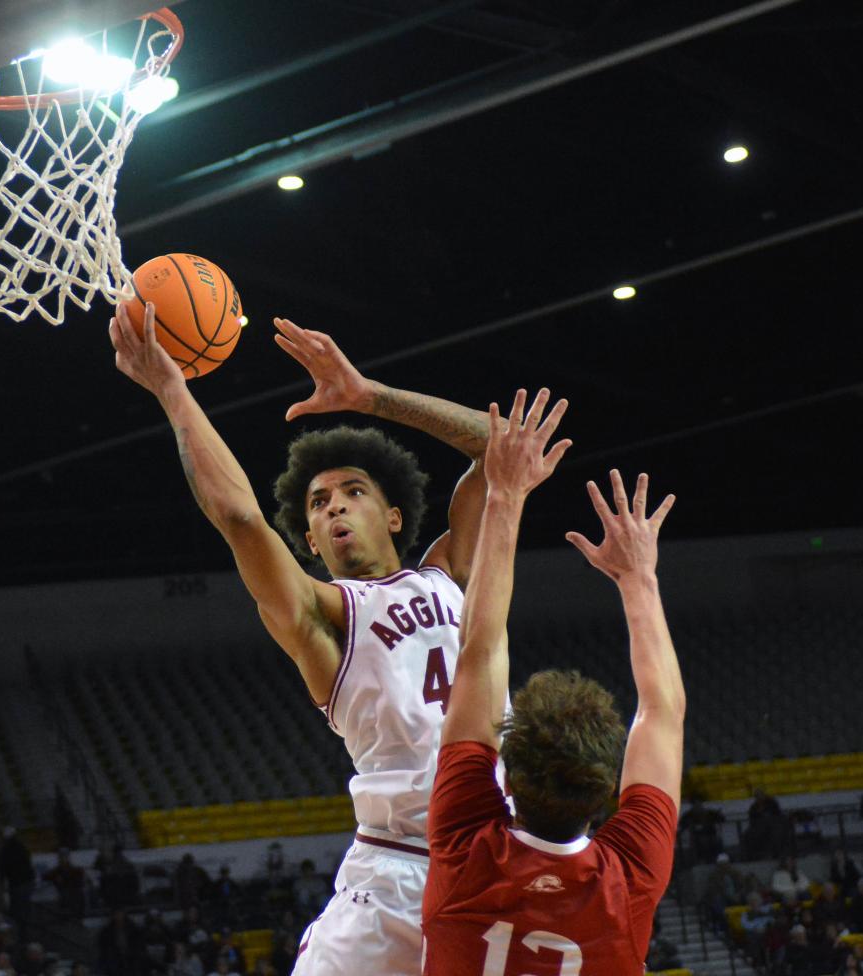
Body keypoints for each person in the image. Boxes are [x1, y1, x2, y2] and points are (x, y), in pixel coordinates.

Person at [110, 310, 494, 976]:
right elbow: (237, 516)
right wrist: (174, 391)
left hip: (496, 862)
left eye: (353, 492)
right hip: (396, 877)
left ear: (394, 515)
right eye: (318, 503)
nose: (335, 506)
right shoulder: (323, 615)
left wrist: (370, 396)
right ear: (310, 540)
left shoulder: (451, 573)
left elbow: (498, 448)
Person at [421, 391, 683, 974]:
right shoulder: (630, 878)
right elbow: (662, 713)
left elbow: (479, 651)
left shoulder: (466, 848)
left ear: (505, 777)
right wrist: (639, 579)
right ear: (605, 791)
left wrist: (506, 495)